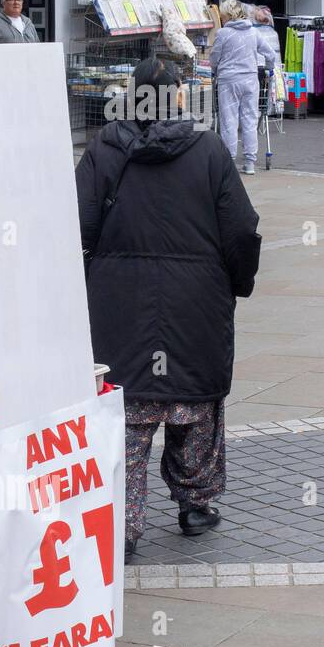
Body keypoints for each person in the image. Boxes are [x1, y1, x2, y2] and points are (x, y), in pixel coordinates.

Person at [76, 57, 261, 561]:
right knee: (195, 408)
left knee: (129, 420)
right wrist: (237, 282)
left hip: (120, 308)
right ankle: (195, 504)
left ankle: (124, 524)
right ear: (178, 96)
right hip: (195, 305)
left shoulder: (103, 149)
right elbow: (242, 229)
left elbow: (78, 226)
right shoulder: (209, 151)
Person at [211, 0, 276, 175]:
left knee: (229, 121)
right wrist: (268, 69)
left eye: (222, 15)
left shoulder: (223, 34)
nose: (221, 18)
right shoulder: (253, 33)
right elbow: (270, 54)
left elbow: (215, 57)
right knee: (249, 120)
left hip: (228, 81)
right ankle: (249, 163)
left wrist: (215, 70)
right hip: (250, 81)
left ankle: (230, 160)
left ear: (228, 15)